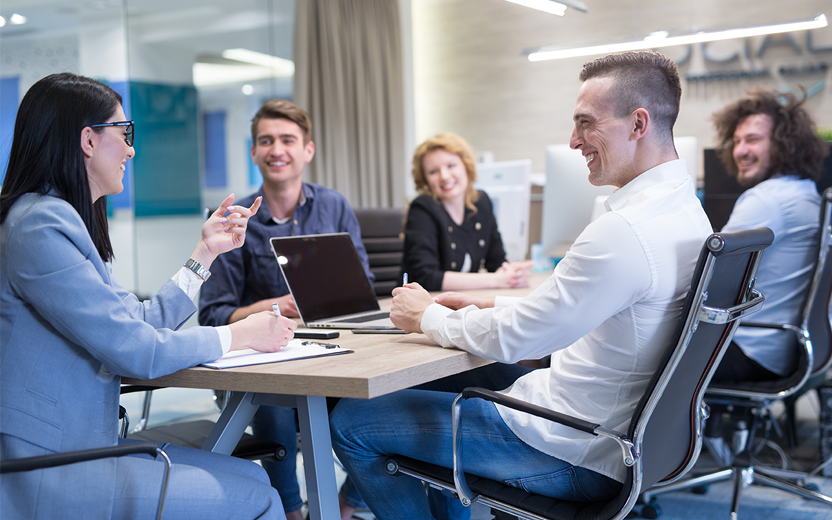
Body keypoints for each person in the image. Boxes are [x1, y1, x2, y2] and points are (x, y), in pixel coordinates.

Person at [329, 50, 713, 520]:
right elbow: (588, 303)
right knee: (461, 374)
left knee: (351, 421)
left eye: (585, 123)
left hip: (575, 450)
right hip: (621, 435)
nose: (573, 141)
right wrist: (489, 301)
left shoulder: (624, 233)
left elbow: (523, 338)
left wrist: (427, 316)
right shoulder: (686, 212)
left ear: (638, 124)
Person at [0, 73, 297, 519]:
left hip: (86, 445)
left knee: (257, 478)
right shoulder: (41, 227)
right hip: (53, 466)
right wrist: (238, 335)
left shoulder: (52, 219)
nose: (131, 150)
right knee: (261, 499)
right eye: (125, 134)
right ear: (87, 140)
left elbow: (139, 319)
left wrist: (205, 253)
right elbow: (137, 351)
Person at [198, 99, 371, 520]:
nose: (277, 149)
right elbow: (214, 313)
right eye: (266, 140)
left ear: (307, 150)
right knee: (273, 400)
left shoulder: (334, 206)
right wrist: (275, 307)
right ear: (254, 152)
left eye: (288, 140)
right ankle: (291, 512)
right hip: (266, 362)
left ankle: (346, 507)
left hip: (333, 354)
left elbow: (361, 288)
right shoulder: (233, 221)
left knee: (378, 406)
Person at [711, 87, 828, 382]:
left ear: (785, 145)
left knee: (641, 355)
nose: (740, 151)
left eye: (753, 140)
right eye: (736, 141)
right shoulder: (805, 193)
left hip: (750, 350)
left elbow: (708, 281)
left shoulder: (767, 200)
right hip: (787, 351)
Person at [402, 132, 531, 291]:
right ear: (425, 179)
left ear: (466, 166)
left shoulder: (481, 202)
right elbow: (427, 278)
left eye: (451, 165)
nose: (444, 176)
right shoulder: (422, 208)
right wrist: (496, 280)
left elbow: (496, 262)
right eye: (433, 171)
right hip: (422, 306)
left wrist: (511, 275)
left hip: (461, 305)